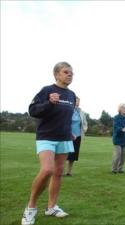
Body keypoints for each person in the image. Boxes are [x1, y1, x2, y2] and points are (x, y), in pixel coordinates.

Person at [22, 62, 75, 225]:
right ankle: (30, 208)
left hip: (64, 137)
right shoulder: (47, 90)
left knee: (58, 173)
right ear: (56, 74)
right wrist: (49, 103)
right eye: (66, 72)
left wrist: (70, 131)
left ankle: (51, 207)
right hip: (46, 137)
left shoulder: (72, 95)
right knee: (47, 170)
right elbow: (32, 110)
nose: (70, 75)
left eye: (72, 73)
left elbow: (66, 116)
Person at [65, 96, 88, 176]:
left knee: (73, 155)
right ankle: (60, 170)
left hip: (78, 136)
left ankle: (69, 171)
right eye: (77, 101)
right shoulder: (68, 110)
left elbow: (84, 122)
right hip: (68, 136)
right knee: (65, 154)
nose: (78, 103)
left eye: (79, 101)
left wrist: (84, 129)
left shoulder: (81, 112)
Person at [111, 103, 125, 174]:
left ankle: (120, 168)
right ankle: (114, 169)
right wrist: (121, 129)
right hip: (117, 139)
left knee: (124, 155)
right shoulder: (116, 117)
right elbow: (115, 126)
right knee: (118, 154)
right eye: (123, 108)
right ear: (120, 109)